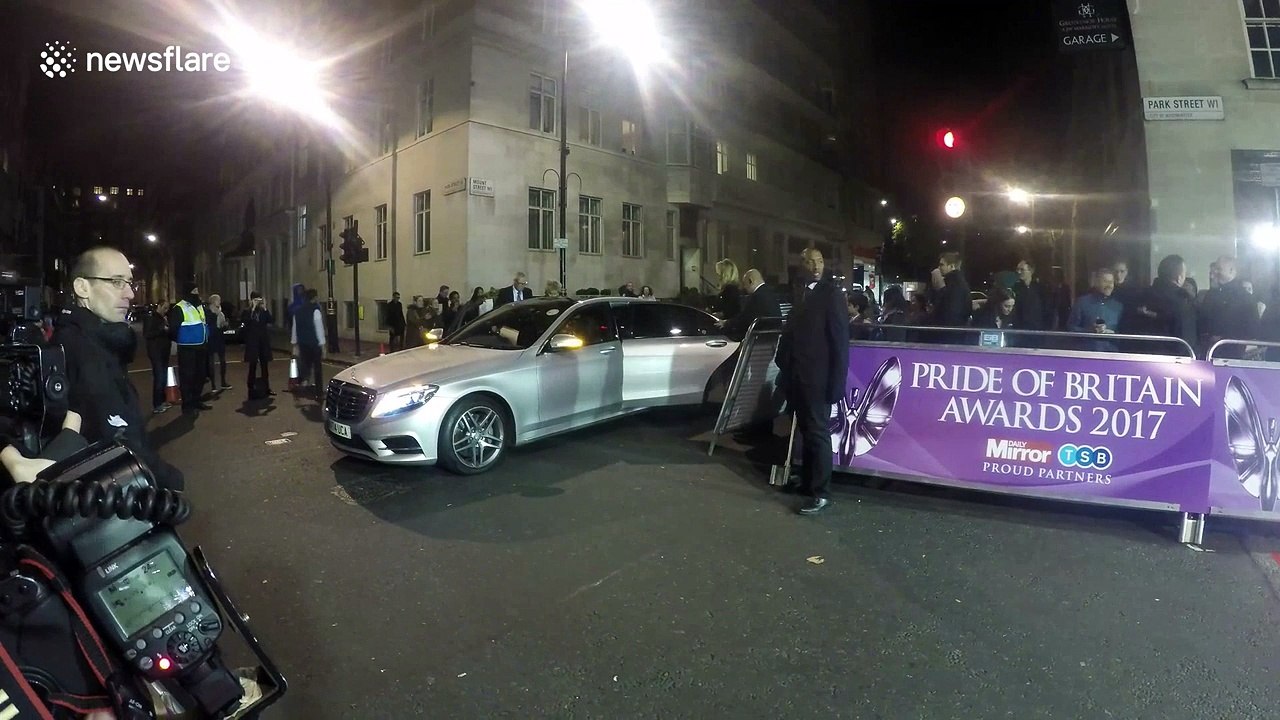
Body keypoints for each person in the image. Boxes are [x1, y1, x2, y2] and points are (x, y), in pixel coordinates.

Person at [53, 246, 184, 490]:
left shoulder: (99, 342)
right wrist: (170, 482)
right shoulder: (82, 351)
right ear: (82, 288)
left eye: (129, 283)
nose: (130, 295)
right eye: (116, 282)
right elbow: (122, 443)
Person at [775, 248, 849, 515]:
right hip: (798, 375)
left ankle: (821, 492)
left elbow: (840, 342)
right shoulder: (800, 291)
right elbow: (792, 331)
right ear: (802, 263)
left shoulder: (830, 295)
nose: (816, 266)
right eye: (810, 261)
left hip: (819, 378)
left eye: (820, 261)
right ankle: (808, 483)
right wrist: (783, 360)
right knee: (807, 432)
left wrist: (837, 382)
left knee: (818, 434)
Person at [1198, 256, 1258, 359]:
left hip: (1233, 354)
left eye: (1219, 269)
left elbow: (1252, 329)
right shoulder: (1211, 294)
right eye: (1215, 269)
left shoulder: (1245, 298)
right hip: (1208, 353)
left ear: (1231, 271)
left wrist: (1224, 337)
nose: (1215, 272)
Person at [168, 280, 212, 415]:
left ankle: (196, 400)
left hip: (201, 345)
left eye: (197, 290)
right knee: (187, 377)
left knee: (200, 375)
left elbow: (204, 322)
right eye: (194, 291)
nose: (197, 293)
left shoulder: (199, 306)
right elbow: (173, 329)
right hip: (187, 348)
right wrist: (182, 339)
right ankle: (187, 406)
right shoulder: (179, 308)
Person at [1066, 267, 1123, 352]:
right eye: (1105, 281)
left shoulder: (1118, 306)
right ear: (1096, 283)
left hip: (1111, 355)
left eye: (1111, 282)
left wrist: (1113, 334)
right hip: (1086, 354)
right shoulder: (1082, 302)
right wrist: (1090, 331)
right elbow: (1071, 328)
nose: (1109, 285)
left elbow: (1123, 333)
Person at [719, 268, 780, 342]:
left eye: (745, 284)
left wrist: (726, 323)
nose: (744, 287)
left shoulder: (757, 297)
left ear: (750, 281)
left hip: (759, 339)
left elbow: (744, 318)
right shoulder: (770, 292)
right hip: (773, 338)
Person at [291, 288, 326, 396]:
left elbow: (294, 328)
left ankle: (304, 384)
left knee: (305, 365)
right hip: (313, 343)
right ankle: (319, 391)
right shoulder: (315, 310)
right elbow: (319, 329)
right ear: (315, 297)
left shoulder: (298, 311)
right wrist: (323, 345)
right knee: (317, 367)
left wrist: (294, 343)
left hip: (302, 343)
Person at [241, 291, 275, 397]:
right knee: (253, 365)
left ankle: (266, 388)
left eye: (259, 299)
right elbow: (246, 322)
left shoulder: (263, 310)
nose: (257, 302)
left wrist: (265, 308)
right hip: (253, 342)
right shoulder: (247, 311)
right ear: (251, 300)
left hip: (263, 341)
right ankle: (251, 388)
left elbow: (271, 320)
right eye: (255, 300)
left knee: (265, 366)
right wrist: (252, 309)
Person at [143, 300, 172, 414]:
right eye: (164, 308)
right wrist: (162, 329)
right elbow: (148, 334)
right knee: (159, 376)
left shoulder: (163, 318)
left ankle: (163, 400)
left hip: (164, 351)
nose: (166, 310)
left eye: (167, 308)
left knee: (163, 376)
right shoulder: (151, 318)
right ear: (159, 306)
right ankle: (157, 404)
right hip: (156, 352)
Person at [205, 293, 231, 393]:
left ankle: (223, 382)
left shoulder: (220, 312)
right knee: (211, 362)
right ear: (213, 301)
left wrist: (225, 325)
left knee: (223, 361)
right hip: (211, 338)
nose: (220, 301)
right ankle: (213, 385)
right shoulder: (208, 312)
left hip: (220, 338)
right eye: (218, 300)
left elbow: (222, 326)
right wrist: (219, 326)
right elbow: (210, 326)